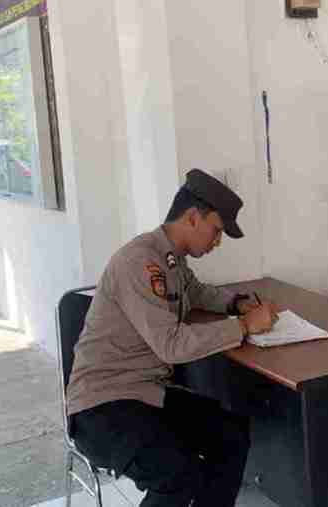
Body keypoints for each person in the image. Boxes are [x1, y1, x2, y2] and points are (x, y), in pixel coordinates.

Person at [67, 168, 279, 507]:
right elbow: (171, 345)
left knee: (231, 435)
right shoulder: (141, 261)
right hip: (104, 405)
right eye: (216, 230)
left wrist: (235, 303)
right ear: (193, 217)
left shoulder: (170, 258)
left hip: (144, 393)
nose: (217, 241)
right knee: (178, 477)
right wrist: (243, 326)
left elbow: (194, 291)